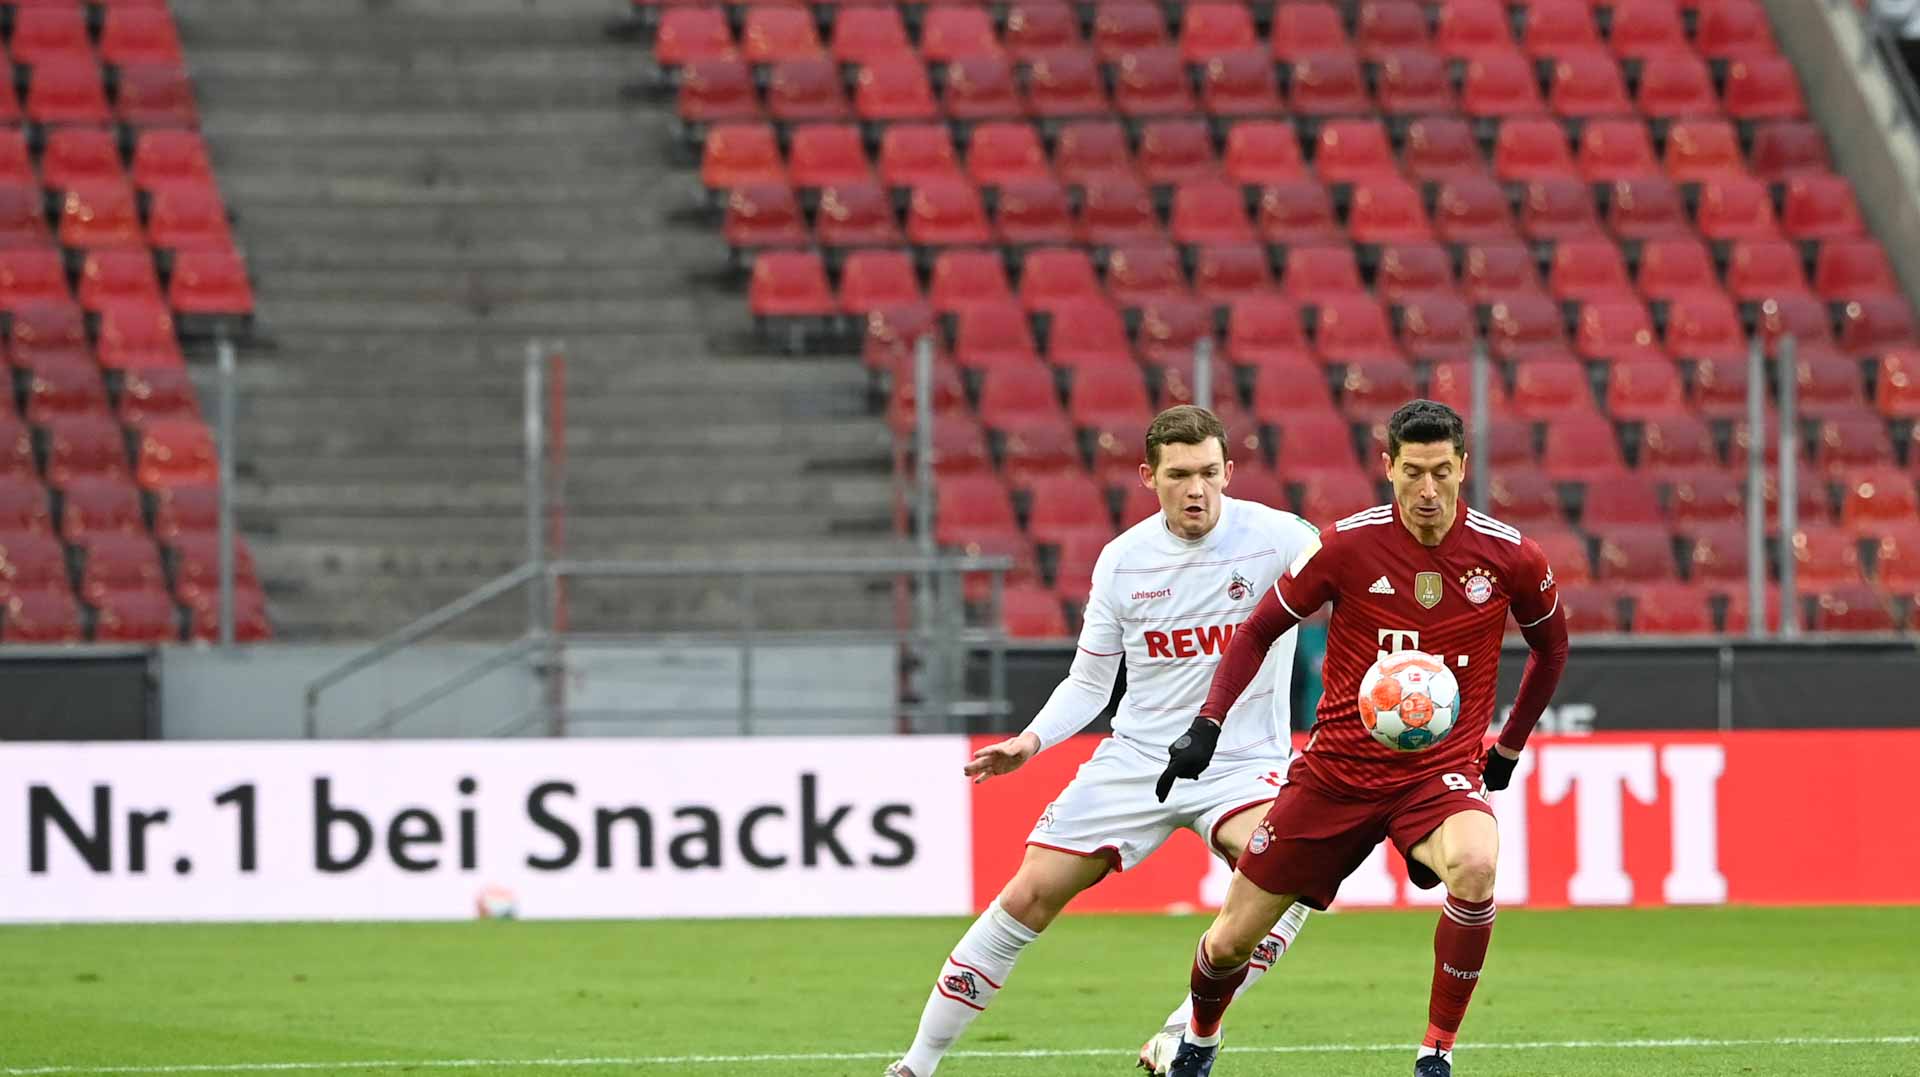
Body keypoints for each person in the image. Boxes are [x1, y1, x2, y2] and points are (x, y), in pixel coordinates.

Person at [885, 406, 1320, 1077]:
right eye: (1179, 474)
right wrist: (1030, 741)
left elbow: (1355, 578)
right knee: (1028, 894)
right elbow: (1090, 684)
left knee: (1287, 876)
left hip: (1243, 764)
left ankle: (1183, 1030)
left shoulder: (1281, 538)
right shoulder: (1123, 561)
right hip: (1139, 760)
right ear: (1149, 475)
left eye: (1208, 472)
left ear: (1230, 472)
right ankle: (916, 1064)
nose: (1196, 488)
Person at [1154, 399, 1570, 1077]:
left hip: (1435, 775)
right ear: (1389, 468)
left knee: (1477, 862)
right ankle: (1197, 1038)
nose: (1427, 489)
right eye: (1413, 472)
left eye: (1441, 470)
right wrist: (1208, 722)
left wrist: (1509, 746)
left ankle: (1435, 1051)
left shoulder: (1509, 555)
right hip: (1334, 774)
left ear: (1464, 467)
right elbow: (1258, 628)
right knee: (1230, 941)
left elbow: (1552, 650)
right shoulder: (1345, 544)